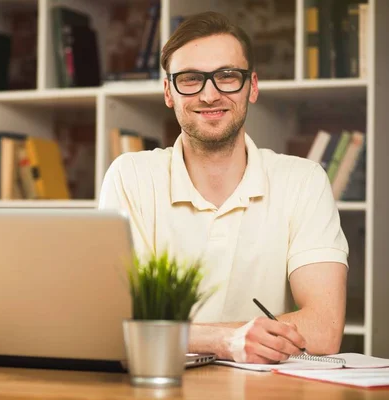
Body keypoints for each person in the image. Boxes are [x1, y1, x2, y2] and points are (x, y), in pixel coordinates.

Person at [98, 11, 349, 364]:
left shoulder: (303, 181)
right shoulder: (130, 177)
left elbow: (323, 328)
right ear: (169, 92)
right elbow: (112, 325)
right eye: (190, 79)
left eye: (227, 76)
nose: (209, 94)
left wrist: (183, 333)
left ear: (253, 86)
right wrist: (223, 339)